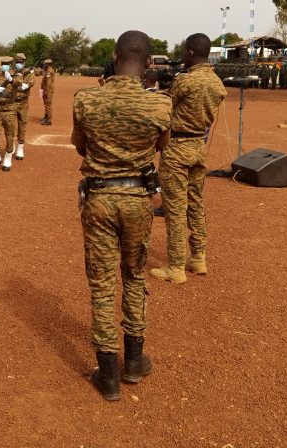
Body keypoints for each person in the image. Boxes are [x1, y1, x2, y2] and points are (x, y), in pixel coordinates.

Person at [72, 30, 172, 401]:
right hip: (137, 200)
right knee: (133, 276)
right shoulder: (160, 105)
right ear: (148, 63)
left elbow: (78, 143)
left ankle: (108, 374)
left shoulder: (86, 99)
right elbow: (161, 146)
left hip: (98, 199)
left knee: (101, 284)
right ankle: (134, 361)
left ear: (114, 57)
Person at [150, 33, 226, 284]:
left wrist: (154, 90)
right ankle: (198, 257)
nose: (182, 55)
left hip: (177, 146)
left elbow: (165, 107)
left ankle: (175, 266)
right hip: (198, 146)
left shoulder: (186, 81)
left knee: (174, 207)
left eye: (184, 51)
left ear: (192, 52)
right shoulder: (216, 82)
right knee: (195, 203)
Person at [0, 56, 20, 172]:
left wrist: (11, 80)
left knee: (9, 135)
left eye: (8, 63)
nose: (5, 65)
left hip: (10, 110)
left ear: (10, 64)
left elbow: (19, 85)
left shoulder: (16, 75)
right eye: (4, 63)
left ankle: (7, 158)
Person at [13, 52, 34, 160]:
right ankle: (10, 144)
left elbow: (30, 82)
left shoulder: (29, 73)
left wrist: (24, 85)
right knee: (10, 124)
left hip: (23, 103)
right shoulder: (11, 72)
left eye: (20, 62)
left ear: (24, 63)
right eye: (17, 62)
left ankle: (20, 147)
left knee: (22, 124)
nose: (18, 64)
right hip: (11, 102)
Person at [39, 58, 55, 125]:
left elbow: (48, 83)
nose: (44, 65)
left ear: (48, 64)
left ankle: (48, 120)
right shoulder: (47, 70)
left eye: (45, 64)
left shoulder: (49, 71)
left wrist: (46, 92)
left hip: (48, 90)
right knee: (46, 104)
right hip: (46, 89)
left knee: (48, 105)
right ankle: (46, 117)